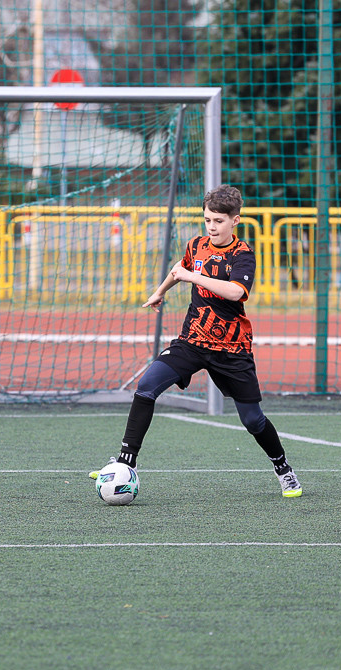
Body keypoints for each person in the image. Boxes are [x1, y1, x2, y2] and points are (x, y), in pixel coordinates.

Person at [90, 185, 302, 498]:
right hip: (192, 341)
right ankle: (126, 462)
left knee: (253, 419)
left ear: (235, 221)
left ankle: (283, 468)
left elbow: (235, 292)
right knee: (146, 387)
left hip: (232, 349)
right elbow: (180, 270)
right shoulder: (197, 244)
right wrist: (161, 291)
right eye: (207, 220)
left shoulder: (242, 255)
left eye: (218, 221)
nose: (212, 227)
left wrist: (193, 278)